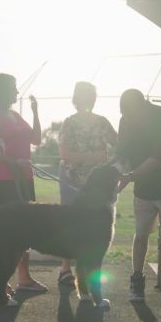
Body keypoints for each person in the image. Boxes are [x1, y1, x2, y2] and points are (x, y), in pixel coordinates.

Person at [116, 89, 161, 301]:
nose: (127, 119)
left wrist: (130, 175)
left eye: (130, 114)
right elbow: (122, 152)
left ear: (141, 106)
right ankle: (137, 281)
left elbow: (158, 157)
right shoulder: (125, 120)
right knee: (140, 235)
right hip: (144, 188)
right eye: (125, 115)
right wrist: (115, 172)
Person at [0, 73, 47, 296]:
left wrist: (36, 112)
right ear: (1, 90)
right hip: (2, 177)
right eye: (13, 88)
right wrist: (13, 162)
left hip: (22, 177)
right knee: (5, 231)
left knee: (24, 228)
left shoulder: (15, 115)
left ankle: (24, 279)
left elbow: (36, 140)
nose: (17, 92)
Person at [56, 81, 117, 286]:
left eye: (91, 95)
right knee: (69, 224)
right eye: (85, 95)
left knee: (97, 228)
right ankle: (65, 269)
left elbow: (119, 145)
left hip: (98, 187)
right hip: (72, 181)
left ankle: (90, 271)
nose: (89, 99)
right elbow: (65, 154)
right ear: (76, 99)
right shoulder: (69, 123)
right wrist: (93, 157)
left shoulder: (102, 122)